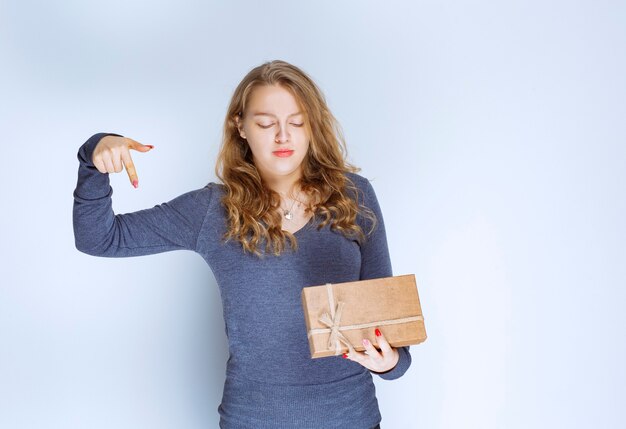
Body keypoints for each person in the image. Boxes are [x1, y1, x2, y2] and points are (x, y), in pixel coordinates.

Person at [73, 60, 411, 429]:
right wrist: (94, 158)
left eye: (297, 122)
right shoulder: (212, 210)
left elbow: (393, 336)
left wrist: (390, 361)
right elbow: (100, 239)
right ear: (241, 127)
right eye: (266, 123)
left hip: (351, 418)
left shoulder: (354, 196)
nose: (283, 135)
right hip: (252, 420)